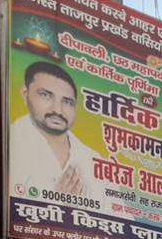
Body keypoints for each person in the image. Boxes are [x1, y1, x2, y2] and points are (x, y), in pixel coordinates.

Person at [9, 61, 102, 204]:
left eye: (67, 102)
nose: (58, 110)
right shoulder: (12, 144)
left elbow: (124, 221)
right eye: (45, 95)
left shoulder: (94, 161)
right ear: (25, 94)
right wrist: (59, 203)